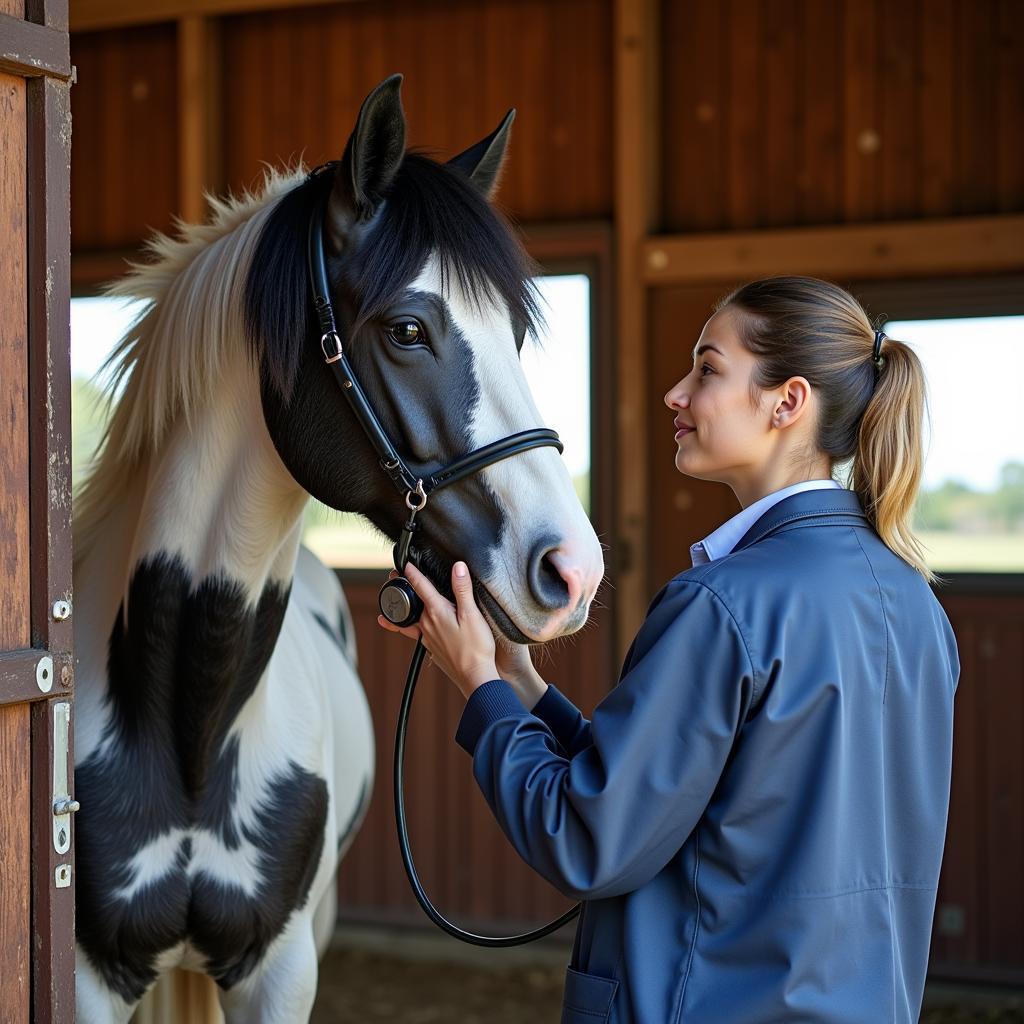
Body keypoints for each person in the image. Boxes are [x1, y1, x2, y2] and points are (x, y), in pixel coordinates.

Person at [377, 275, 960, 1023]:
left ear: (788, 403)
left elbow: (586, 836)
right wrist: (515, 677)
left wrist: (477, 689)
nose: (675, 395)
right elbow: (677, 798)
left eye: (708, 369)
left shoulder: (723, 606)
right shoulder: (915, 603)